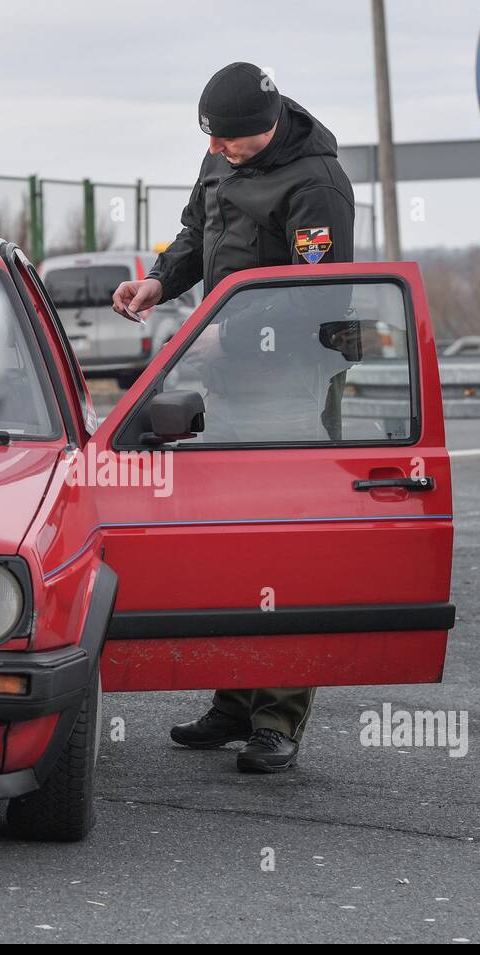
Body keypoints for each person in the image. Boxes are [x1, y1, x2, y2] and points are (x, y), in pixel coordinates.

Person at [112, 61, 356, 773]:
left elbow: (322, 296)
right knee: (230, 541)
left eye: (233, 144)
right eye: (213, 143)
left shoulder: (317, 183)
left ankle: (277, 718)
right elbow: (197, 234)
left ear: (268, 127)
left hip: (291, 380)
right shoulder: (220, 153)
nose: (221, 153)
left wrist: (231, 328)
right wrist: (160, 280)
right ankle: (233, 701)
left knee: (284, 545)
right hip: (226, 374)